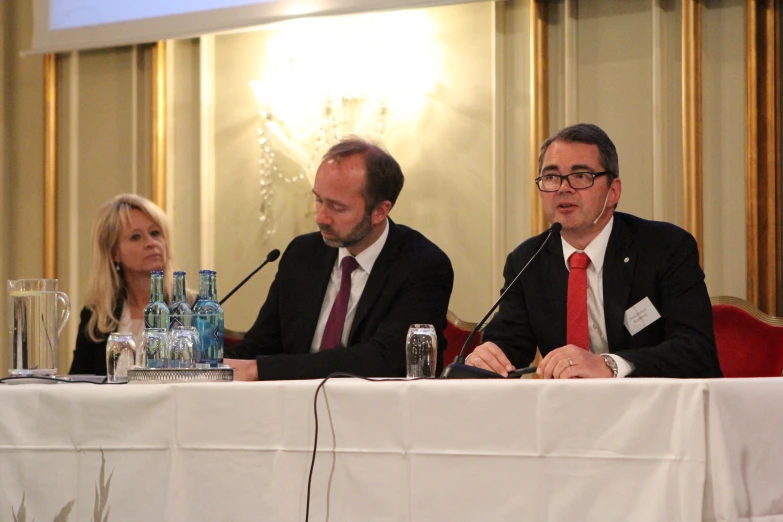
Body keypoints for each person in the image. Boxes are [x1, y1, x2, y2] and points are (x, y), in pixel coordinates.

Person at [467, 123, 723, 379]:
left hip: (656, 410)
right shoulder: (527, 261)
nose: (563, 188)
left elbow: (696, 352)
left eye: (580, 176)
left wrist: (609, 365)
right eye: (551, 177)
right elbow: (509, 344)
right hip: (566, 413)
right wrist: (489, 357)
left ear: (613, 192)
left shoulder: (665, 248)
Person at [225, 137, 454, 380]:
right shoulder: (302, 254)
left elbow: (386, 360)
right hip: (290, 409)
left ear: (380, 211)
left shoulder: (422, 264)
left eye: (337, 207)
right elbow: (259, 347)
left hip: (378, 410)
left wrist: (262, 369)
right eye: (318, 200)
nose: (321, 217)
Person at [69, 194, 193, 375]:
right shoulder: (98, 316)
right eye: (136, 237)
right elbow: (78, 383)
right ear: (114, 253)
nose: (151, 243)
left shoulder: (191, 307)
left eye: (155, 233)